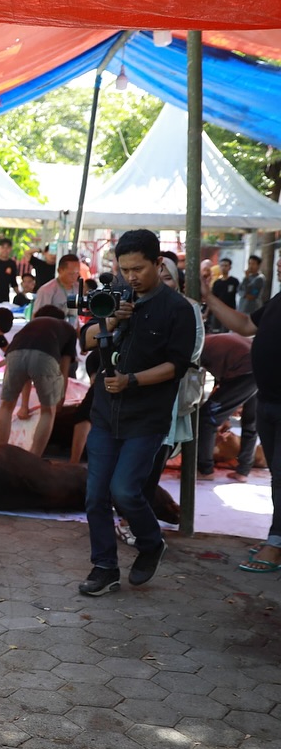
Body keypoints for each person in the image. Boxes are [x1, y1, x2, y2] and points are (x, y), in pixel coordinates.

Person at [77, 230, 197, 596]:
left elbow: (176, 367)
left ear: (158, 264)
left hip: (146, 417)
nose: (131, 277)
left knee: (126, 490)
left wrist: (132, 381)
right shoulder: (112, 297)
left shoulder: (178, 310)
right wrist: (111, 320)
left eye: (138, 269)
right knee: (95, 495)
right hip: (104, 414)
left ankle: (151, 541)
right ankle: (105, 567)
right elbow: (84, 342)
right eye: (124, 269)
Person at [203, 255, 281, 572]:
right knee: (277, 474)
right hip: (269, 400)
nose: (279, 265)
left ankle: (275, 543)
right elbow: (246, 325)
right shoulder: (277, 300)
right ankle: (275, 538)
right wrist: (208, 296)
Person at [0, 305, 77, 456]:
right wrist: (60, 398)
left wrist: (24, 406)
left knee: (6, 406)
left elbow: (26, 375)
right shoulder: (67, 329)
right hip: (45, 357)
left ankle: (0, 454)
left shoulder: (30, 326)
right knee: (48, 411)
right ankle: (34, 457)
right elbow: (64, 369)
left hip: (14, 354)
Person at [195, 333, 258, 482]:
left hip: (246, 371)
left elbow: (196, 384)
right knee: (251, 422)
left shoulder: (197, 347)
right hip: (260, 367)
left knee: (206, 418)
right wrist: (224, 413)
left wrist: (220, 414)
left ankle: (205, 470)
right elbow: (221, 387)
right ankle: (243, 471)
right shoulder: (212, 341)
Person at [32, 252, 82, 318]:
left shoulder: (78, 288)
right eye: (71, 274)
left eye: (77, 273)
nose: (75, 276)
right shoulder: (46, 290)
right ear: (60, 271)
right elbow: (37, 317)